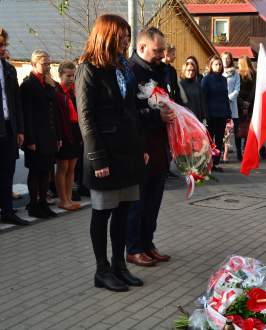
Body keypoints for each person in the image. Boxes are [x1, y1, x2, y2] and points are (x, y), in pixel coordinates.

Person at [76, 14, 145, 292]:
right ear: (107, 35)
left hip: (128, 153)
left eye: (128, 36)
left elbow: (130, 111)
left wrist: (141, 149)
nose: (126, 40)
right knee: (103, 213)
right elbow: (86, 118)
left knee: (124, 211)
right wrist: (97, 159)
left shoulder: (123, 67)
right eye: (123, 35)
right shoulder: (88, 69)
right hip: (105, 156)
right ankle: (101, 271)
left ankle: (119, 266)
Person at [126, 27, 176, 267]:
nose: (161, 54)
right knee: (139, 200)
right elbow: (129, 112)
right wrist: (157, 118)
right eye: (157, 50)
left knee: (154, 199)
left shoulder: (164, 70)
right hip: (140, 144)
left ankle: (148, 243)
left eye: (163, 50)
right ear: (142, 47)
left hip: (160, 144)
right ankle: (133, 248)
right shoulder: (129, 71)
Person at [21, 50, 61, 219]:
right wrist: (29, 139)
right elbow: (26, 114)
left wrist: (58, 136)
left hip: (49, 135)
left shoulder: (48, 83)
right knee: (36, 171)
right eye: (44, 64)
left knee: (46, 170)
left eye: (48, 63)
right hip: (36, 136)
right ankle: (34, 204)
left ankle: (43, 202)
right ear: (34, 64)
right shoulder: (28, 85)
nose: (47, 67)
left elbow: (55, 111)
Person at [0, 28, 29, 226]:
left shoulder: (9, 69)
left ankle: (7, 211)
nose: (3, 49)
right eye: (0, 45)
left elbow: (17, 102)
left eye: (4, 45)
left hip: (8, 128)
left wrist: (19, 130)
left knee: (8, 170)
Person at [54, 61, 82, 211]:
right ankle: (62, 199)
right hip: (64, 131)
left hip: (75, 130)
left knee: (72, 166)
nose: (71, 78)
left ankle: (69, 198)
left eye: (73, 75)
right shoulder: (57, 92)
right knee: (63, 166)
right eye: (68, 76)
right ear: (60, 75)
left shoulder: (75, 91)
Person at [202, 55, 231, 172]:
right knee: (209, 140)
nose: (218, 66)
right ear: (211, 66)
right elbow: (203, 97)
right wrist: (204, 113)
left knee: (219, 140)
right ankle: (207, 163)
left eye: (220, 64)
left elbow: (225, 97)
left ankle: (216, 163)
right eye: (216, 64)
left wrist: (228, 113)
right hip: (210, 114)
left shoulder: (224, 79)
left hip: (222, 113)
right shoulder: (206, 79)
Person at [221, 52, 241, 161]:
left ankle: (226, 153)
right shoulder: (218, 71)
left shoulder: (235, 73)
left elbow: (237, 89)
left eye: (228, 58)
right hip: (219, 104)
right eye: (224, 58)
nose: (226, 60)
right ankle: (219, 152)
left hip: (231, 104)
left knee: (229, 130)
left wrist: (229, 98)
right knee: (221, 130)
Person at [237, 55, 256, 158]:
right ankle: (245, 151)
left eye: (239, 64)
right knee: (247, 129)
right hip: (250, 103)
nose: (238, 66)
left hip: (242, 103)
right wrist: (247, 103)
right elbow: (253, 91)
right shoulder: (255, 74)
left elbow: (238, 90)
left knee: (240, 129)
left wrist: (243, 103)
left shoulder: (240, 75)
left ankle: (240, 153)